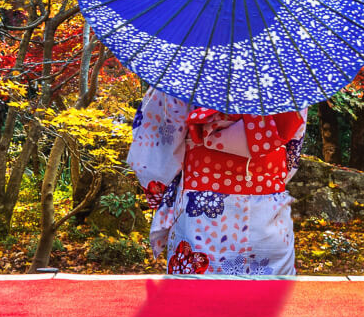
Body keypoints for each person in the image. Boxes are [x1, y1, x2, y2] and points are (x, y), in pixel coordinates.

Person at [127, 87, 307, 276]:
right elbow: (291, 157)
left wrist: (160, 196)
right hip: (270, 216)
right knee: (267, 301)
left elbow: (155, 154)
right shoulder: (288, 80)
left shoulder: (186, 73)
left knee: (196, 300)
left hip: (201, 216)